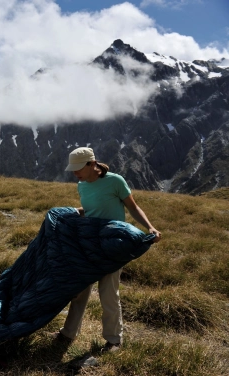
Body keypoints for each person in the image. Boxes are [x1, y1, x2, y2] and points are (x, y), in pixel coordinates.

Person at [53, 147, 161, 352]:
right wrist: (75, 211)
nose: (75, 173)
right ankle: (68, 333)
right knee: (79, 290)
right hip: (90, 243)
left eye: (78, 168)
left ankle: (114, 340)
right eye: (73, 169)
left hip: (112, 245)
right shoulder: (81, 185)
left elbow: (133, 207)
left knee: (109, 292)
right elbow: (93, 209)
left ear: (92, 164)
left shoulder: (115, 181)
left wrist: (150, 227)